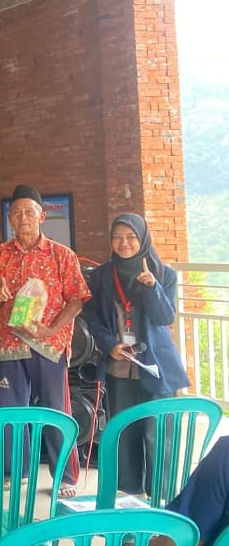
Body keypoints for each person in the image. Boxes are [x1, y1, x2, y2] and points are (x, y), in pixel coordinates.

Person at [0, 185, 91, 497]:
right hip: (9, 344)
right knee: (10, 413)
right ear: (9, 218)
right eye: (16, 212)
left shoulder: (61, 254)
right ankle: (15, 471)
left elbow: (77, 299)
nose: (23, 217)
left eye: (29, 211)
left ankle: (65, 476)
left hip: (49, 344)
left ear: (41, 216)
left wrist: (51, 328)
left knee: (55, 410)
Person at [83, 212, 188, 496]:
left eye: (131, 237)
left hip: (155, 365)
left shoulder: (163, 274)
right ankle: (130, 493)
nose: (124, 243)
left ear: (142, 238)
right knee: (124, 430)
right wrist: (109, 345)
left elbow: (165, 317)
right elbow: (93, 317)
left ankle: (160, 495)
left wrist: (152, 287)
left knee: (157, 433)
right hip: (120, 364)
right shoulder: (102, 275)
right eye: (117, 237)